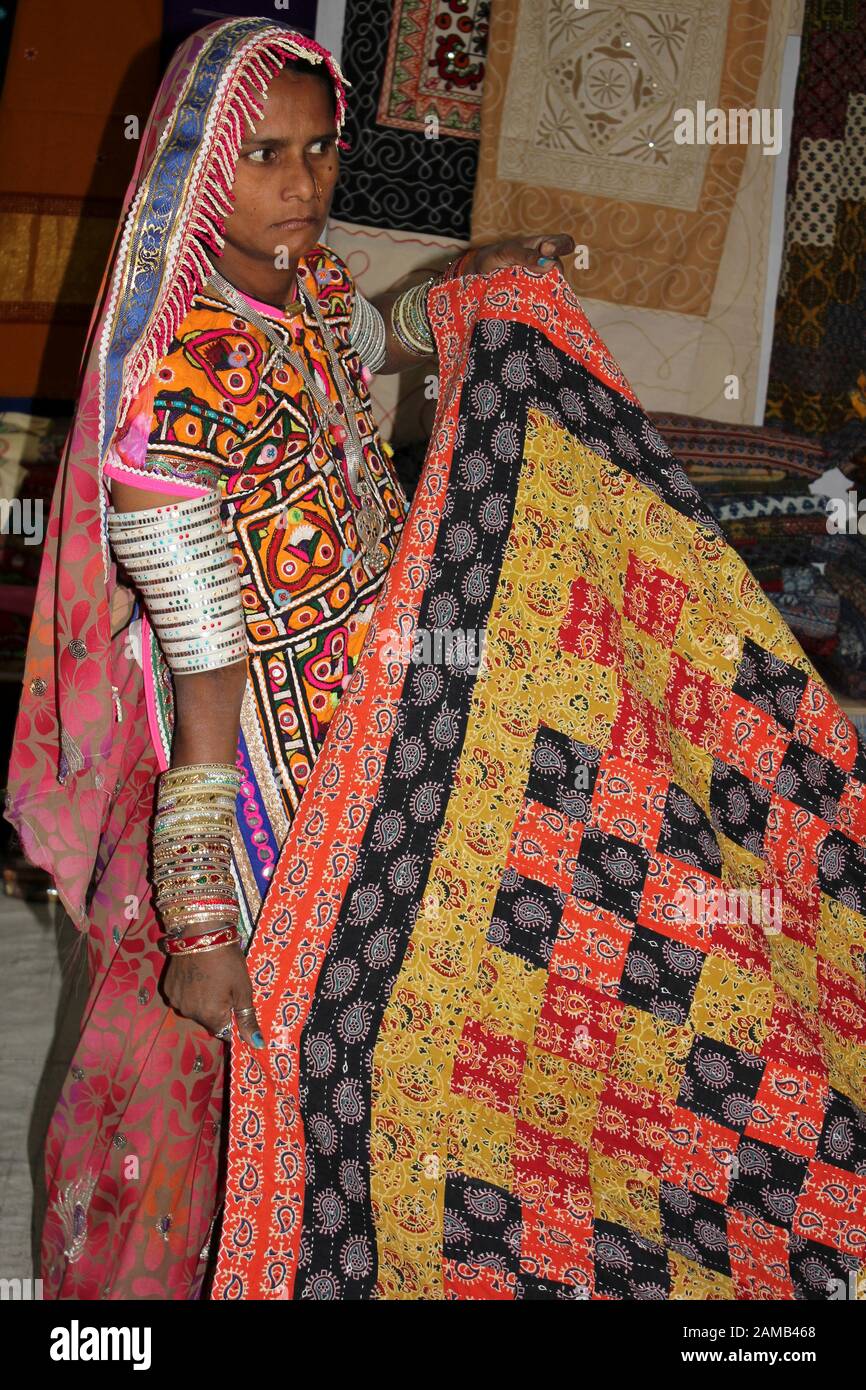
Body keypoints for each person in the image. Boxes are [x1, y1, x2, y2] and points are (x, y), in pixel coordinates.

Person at [4, 15, 573, 1300]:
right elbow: (204, 671)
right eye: (262, 156)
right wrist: (203, 918)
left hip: (346, 740)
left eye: (319, 152)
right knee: (186, 1094)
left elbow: (370, 339)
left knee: (335, 1067)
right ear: (199, 165)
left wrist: (477, 273)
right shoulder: (177, 384)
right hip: (233, 786)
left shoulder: (305, 288)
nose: (303, 185)